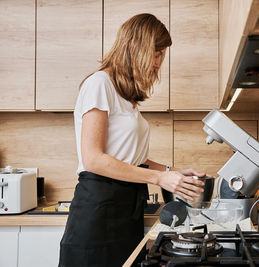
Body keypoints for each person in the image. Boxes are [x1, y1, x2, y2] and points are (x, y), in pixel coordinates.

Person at [59, 13, 205, 267]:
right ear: (135, 46)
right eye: (156, 54)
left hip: (125, 209)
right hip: (98, 211)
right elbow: (93, 159)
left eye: (162, 56)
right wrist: (159, 179)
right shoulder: (99, 84)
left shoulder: (126, 98)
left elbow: (129, 157)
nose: (159, 63)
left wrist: (170, 172)